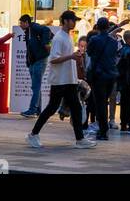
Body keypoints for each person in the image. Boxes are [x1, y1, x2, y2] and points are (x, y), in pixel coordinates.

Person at [27, 10, 95, 150]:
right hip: (59, 80)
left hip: (68, 79)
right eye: (72, 20)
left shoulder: (67, 36)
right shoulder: (59, 38)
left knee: (75, 107)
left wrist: (74, 57)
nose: (74, 22)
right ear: (65, 21)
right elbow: (53, 60)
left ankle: (80, 138)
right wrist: (71, 56)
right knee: (52, 108)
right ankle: (33, 134)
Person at [86, 16, 120, 141]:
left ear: (98, 27)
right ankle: (103, 129)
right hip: (111, 75)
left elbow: (89, 53)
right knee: (105, 100)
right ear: (108, 27)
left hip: (98, 75)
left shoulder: (94, 39)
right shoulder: (114, 41)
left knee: (100, 103)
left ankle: (103, 130)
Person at [17, 13, 53, 117]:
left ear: (26, 22)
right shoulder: (28, 31)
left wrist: (46, 43)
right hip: (35, 61)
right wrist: (28, 63)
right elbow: (29, 49)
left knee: (35, 86)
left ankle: (32, 110)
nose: (20, 25)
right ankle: (38, 110)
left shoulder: (34, 27)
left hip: (40, 60)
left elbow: (46, 30)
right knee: (36, 87)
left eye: (21, 23)